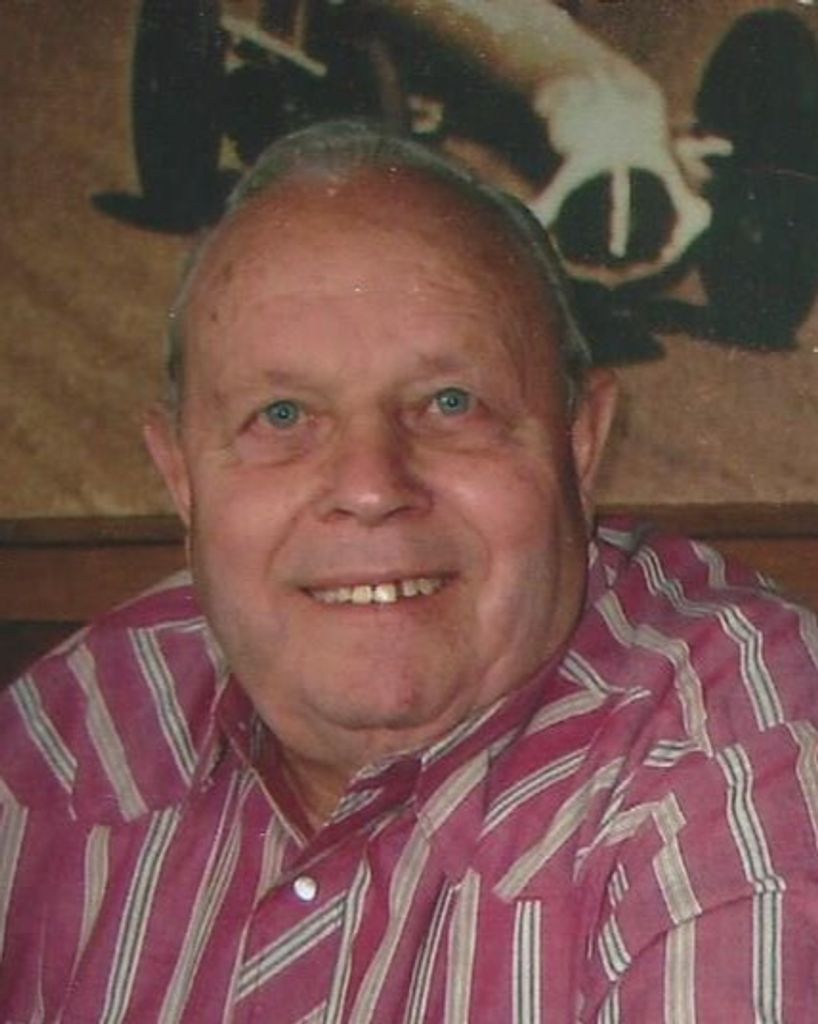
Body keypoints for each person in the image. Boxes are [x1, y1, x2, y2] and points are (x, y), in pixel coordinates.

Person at [2, 120, 817, 1022]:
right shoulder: (64, 736)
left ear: (580, 442)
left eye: (449, 403)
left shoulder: (745, 755)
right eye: (282, 416)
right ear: (181, 476)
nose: (369, 487)